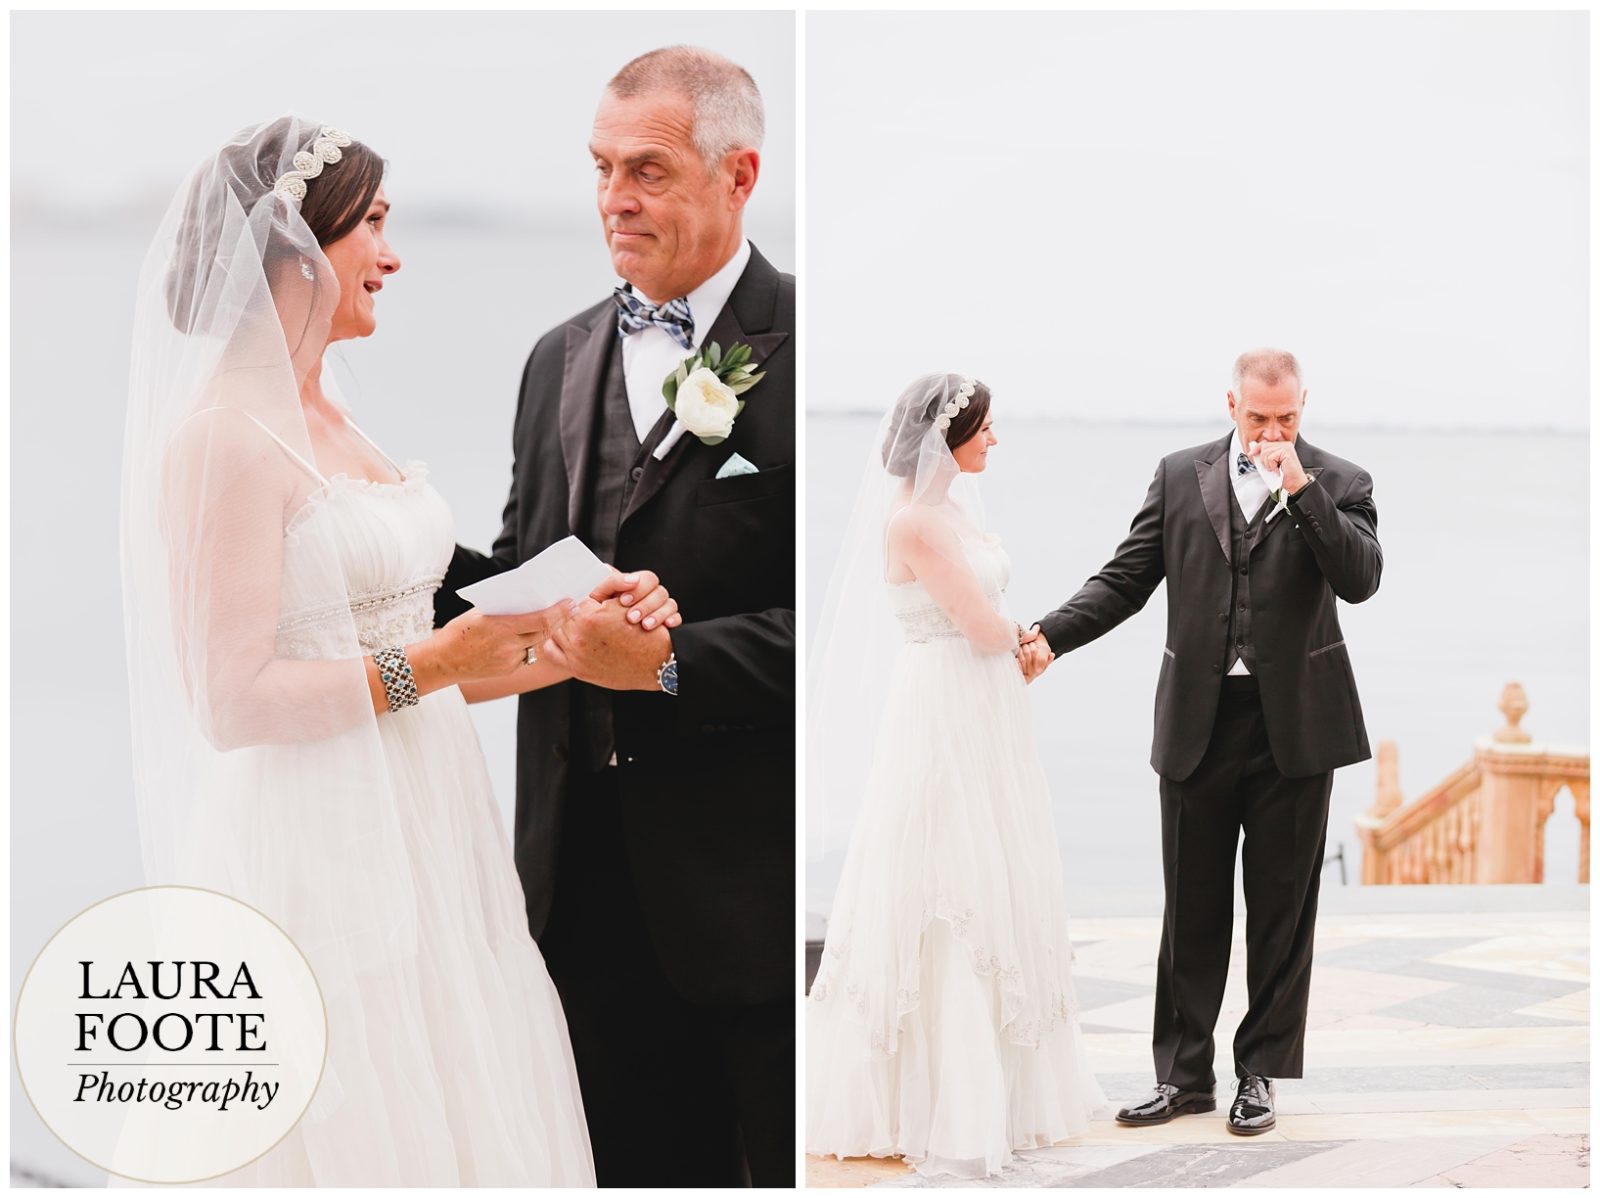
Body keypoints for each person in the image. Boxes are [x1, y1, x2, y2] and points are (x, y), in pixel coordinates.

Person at [121, 115, 679, 1185]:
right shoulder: (223, 439)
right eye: (372, 224)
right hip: (319, 839)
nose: (392, 252)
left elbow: (420, 656)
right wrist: (438, 660)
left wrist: (586, 632)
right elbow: (232, 700)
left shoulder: (338, 418)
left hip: (431, 824)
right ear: (293, 250)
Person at [436, 47, 795, 1188]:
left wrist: (674, 664)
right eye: (600, 169)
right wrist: (374, 548)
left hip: (744, 890)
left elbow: (839, 631)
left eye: (646, 169)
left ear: (738, 175)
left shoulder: (812, 344)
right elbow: (520, 575)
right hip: (572, 889)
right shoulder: (556, 358)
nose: (614, 199)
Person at [1023, 349, 1381, 1135]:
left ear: (1303, 406)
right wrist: (1050, 635)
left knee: (1281, 912)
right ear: (1231, 404)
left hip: (1297, 727)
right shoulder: (1179, 474)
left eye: (1287, 417)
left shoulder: (1342, 483)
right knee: (1191, 906)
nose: (1272, 431)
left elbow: (1359, 578)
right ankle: (1183, 1076)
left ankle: (1260, 1074)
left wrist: (1299, 488)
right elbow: (1125, 578)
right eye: (1259, 417)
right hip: (1198, 722)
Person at [806, 374, 1104, 1179]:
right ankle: (942, 1098)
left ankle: (1002, 1088)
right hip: (944, 700)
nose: (995, 441)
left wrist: (1023, 644)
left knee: (990, 860)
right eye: (986, 429)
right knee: (947, 875)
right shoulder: (913, 522)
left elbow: (985, 618)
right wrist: (1030, 642)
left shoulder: (955, 511)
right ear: (949, 436)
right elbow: (975, 624)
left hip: (981, 700)